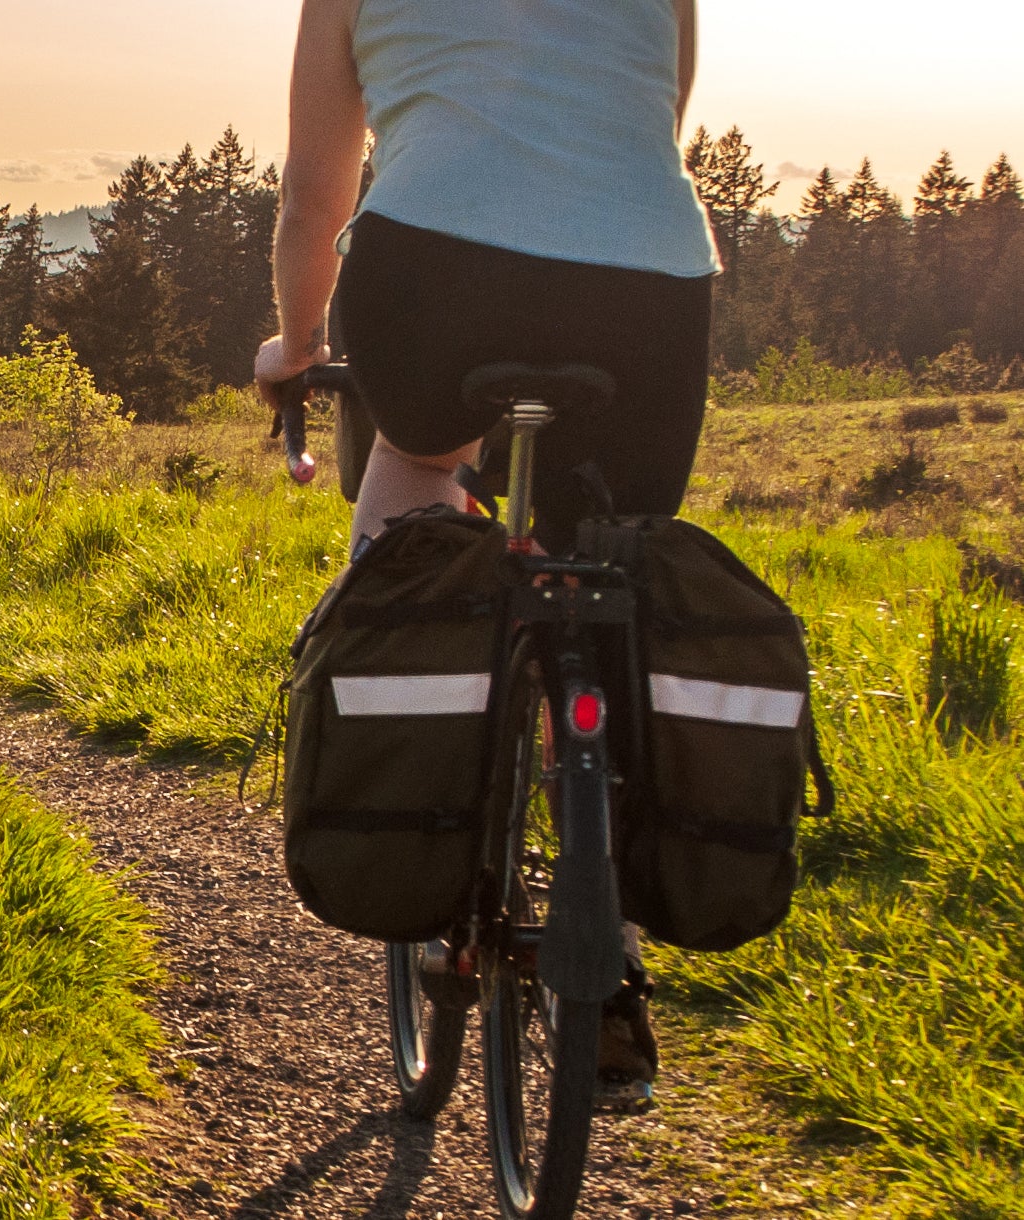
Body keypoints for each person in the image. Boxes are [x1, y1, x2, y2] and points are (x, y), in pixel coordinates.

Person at [255, 0, 718, 1105]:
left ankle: (409, 758)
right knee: (599, 565)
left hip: (432, 265)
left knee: (416, 468)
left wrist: (299, 345)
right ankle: (605, 939)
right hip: (648, 279)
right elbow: (658, 112)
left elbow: (316, 191)